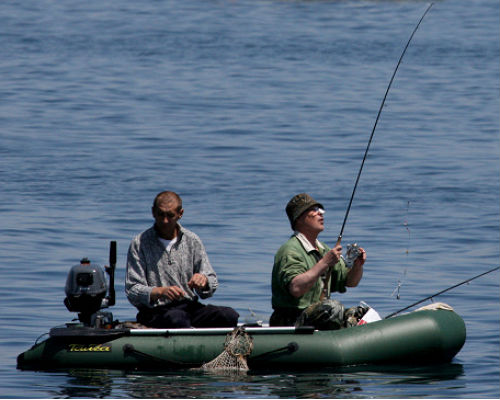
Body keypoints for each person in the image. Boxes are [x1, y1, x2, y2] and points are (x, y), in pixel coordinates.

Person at [126, 191, 239, 328]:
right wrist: (159, 292)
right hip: (155, 311)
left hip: (189, 307)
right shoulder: (140, 243)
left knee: (228, 315)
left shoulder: (192, 240)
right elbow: (132, 290)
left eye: (170, 215)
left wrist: (204, 281)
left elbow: (212, 280)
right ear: (153, 212)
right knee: (177, 319)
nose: (165, 221)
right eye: (161, 214)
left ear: (180, 214)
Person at [270, 193, 366, 328]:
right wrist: (324, 263)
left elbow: (350, 282)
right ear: (299, 218)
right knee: (333, 308)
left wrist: (357, 266)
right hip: (290, 320)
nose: (320, 213)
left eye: (320, 210)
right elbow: (296, 288)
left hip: (318, 316)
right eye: (314, 210)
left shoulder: (323, 250)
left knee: (360, 313)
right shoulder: (290, 250)